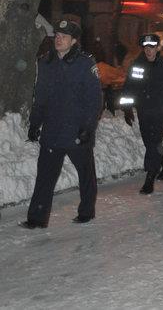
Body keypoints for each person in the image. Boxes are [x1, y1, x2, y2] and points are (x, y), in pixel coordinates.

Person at [21, 20, 103, 229]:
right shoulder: (46, 62)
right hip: (52, 131)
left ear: (74, 41)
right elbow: (40, 97)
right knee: (45, 177)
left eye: (63, 36)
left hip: (77, 131)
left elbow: (94, 100)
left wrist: (87, 128)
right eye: (57, 35)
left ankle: (86, 211)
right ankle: (37, 218)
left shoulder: (85, 64)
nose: (58, 39)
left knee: (85, 174)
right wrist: (35, 123)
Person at [119, 34, 163, 195]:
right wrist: (127, 109)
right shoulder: (137, 66)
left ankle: (150, 177)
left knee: (154, 143)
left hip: (161, 113)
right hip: (143, 111)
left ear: (157, 48)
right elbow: (129, 88)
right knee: (150, 143)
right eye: (146, 48)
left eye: (152, 47)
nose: (148, 51)